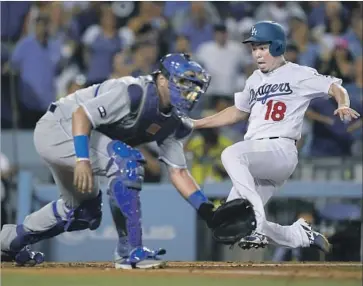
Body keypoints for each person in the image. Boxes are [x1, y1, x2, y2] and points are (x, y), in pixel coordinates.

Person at [0, 53, 223, 269]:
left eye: (193, 85)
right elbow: (81, 115)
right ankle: (129, 252)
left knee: (83, 212)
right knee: (126, 163)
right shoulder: (134, 91)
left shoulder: (173, 120)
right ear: (162, 79)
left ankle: (10, 241)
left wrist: (208, 212)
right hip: (60, 126)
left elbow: (179, 173)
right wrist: (83, 159)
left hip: (75, 137)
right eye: (184, 82)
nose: (189, 91)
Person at [192, 21, 360, 252]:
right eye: (254, 48)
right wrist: (197, 123)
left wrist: (343, 104)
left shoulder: (297, 73)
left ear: (278, 46)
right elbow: (237, 112)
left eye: (262, 47)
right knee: (229, 218)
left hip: (280, 149)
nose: (257, 53)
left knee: (231, 153)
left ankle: (257, 227)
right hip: (257, 156)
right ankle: (299, 235)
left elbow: (334, 87)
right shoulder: (253, 79)